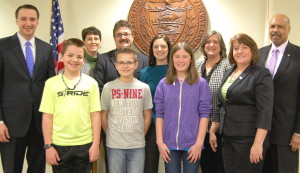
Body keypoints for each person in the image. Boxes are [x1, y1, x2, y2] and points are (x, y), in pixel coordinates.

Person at [0, 4, 55, 173]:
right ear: (17, 20)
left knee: (38, 169)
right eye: (24, 19)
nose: (28, 23)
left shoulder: (46, 48)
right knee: (12, 169)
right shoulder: (2, 46)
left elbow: (51, 85)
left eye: (32, 19)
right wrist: (0, 121)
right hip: (11, 123)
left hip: (39, 123)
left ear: (38, 22)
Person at [209, 33, 273, 173]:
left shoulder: (261, 74)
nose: (239, 51)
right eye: (236, 48)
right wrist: (213, 130)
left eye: (244, 47)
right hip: (227, 137)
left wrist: (258, 144)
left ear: (252, 50)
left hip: (248, 140)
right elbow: (221, 103)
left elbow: (265, 111)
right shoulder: (228, 72)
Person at [94, 19, 148, 172]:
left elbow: (144, 92)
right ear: (114, 38)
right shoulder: (103, 59)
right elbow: (98, 89)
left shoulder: (143, 60)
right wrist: (109, 130)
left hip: (135, 129)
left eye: (126, 34)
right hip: (113, 128)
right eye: (119, 35)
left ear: (132, 37)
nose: (123, 37)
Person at [39, 38, 101, 173]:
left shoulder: (91, 83)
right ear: (61, 57)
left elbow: (95, 115)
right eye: (70, 55)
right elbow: (47, 116)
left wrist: (95, 144)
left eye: (79, 56)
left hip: (85, 144)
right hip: (59, 145)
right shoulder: (51, 83)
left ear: (84, 60)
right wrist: (48, 146)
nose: (75, 60)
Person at [155, 42, 212, 173]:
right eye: (177, 56)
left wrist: (199, 144)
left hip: (192, 144)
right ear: (172, 59)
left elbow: (204, 114)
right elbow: (160, 114)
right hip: (168, 144)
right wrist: (160, 142)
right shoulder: (163, 84)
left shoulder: (201, 83)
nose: (181, 60)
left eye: (185, 56)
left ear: (191, 59)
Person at [258, 14, 300, 173]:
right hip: (260, 133)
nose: (275, 30)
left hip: (287, 134)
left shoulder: (298, 55)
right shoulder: (259, 54)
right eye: (272, 26)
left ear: (289, 30)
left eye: (280, 26)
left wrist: (298, 132)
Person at [101, 48, 152, 173]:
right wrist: (112, 135)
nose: (125, 66)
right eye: (122, 63)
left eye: (129, 62)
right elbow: (104, 116)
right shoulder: (108, 87)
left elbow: (147, 116)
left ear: (136, 65)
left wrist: (139, 134)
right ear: (116, 65)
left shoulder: (144, 88)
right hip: (114, 145)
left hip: (137, 145)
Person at [196, 31, 231, 173]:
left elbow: (227, 98)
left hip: (220, 128)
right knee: (205, 166)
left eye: (215, 42)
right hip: (199, 129)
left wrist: (214, 128)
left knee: (219, 167)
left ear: (221, 46)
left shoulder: (228, 66)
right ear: (204, 46)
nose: (211, 45)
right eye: (208, 42)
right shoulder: (197, 66)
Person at [140, 35, 172, 173]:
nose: (160, 49)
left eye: (163, 46)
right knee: (149, 166)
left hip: (173, 125)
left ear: (169, 49)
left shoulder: (177, 70)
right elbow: (144, 103)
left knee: (172, 166)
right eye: (156, 47)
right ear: (152, 50)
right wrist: (156, 120)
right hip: (152, 125)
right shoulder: (145, 72)